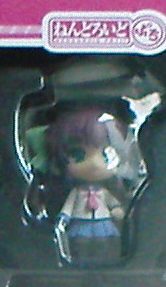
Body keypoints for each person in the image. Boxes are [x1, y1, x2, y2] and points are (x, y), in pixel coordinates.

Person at [46, 104, 144, 266]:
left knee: (106, 246)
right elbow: (68, 208)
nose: (95, 164)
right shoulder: (76, 193)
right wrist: (63, 218)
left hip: (103, 223)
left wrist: (117, 210)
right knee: (80, 246)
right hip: (80, 224)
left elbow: (113, 204)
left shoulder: (104, 192)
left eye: (106, 155)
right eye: (78, 154)